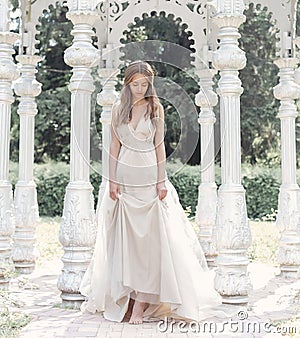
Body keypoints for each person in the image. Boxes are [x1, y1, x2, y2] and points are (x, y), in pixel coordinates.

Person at [79, 60, 233, 324]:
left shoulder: (155, 108)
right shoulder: (118, 109)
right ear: (127, 84)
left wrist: (162, 182)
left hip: (150, 178)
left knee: (151, 243)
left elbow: (160, 147)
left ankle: (141, 303)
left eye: (144, 84)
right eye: (135, 84)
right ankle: (126, 298)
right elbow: (114, 148)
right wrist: (112, 181)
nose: (140, 89)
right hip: (125, 182)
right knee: (127, 243)